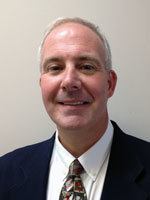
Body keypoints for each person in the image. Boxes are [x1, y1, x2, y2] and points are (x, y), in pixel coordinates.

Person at [0, 17, 150, 200]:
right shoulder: (5, 172)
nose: (69, 82)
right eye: (55, 67)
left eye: (86, 67)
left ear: (109, 84)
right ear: (42, 85)